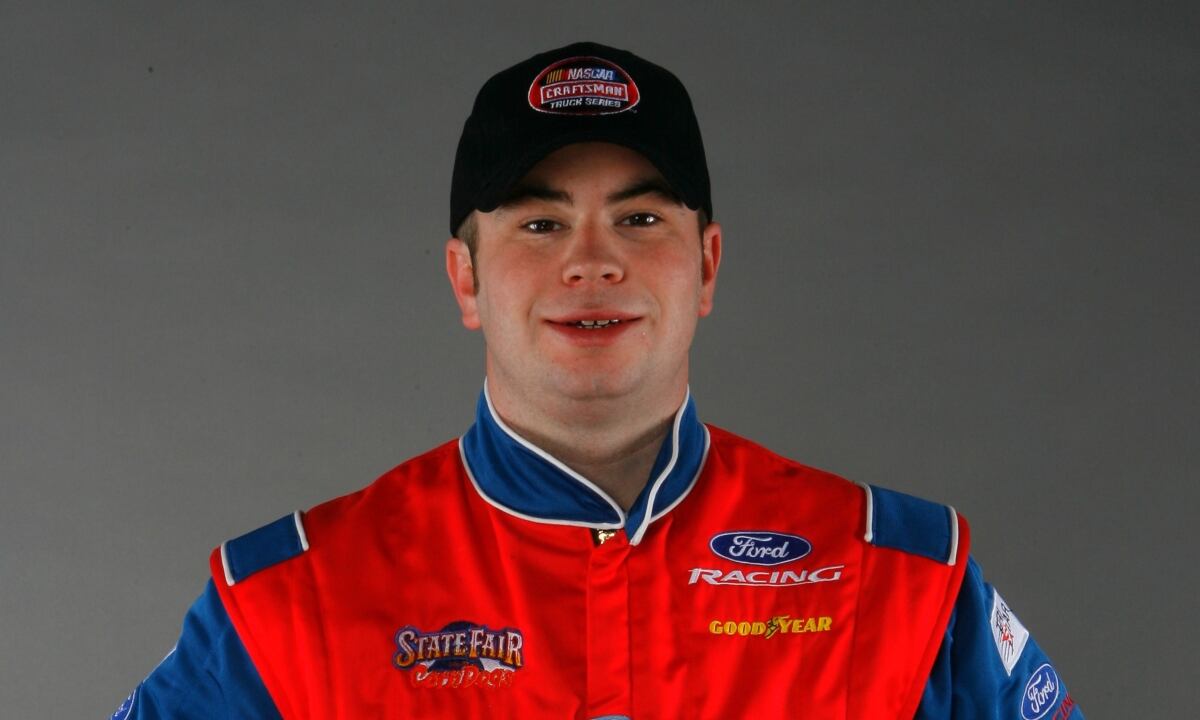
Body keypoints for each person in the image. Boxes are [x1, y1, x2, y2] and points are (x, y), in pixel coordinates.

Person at [112, 41, 1083, 720]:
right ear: (465, 276)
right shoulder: (293, 602)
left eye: (640, 220)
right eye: (539, 224)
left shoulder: (901, 581)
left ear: (706, 265)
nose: (592, 262)